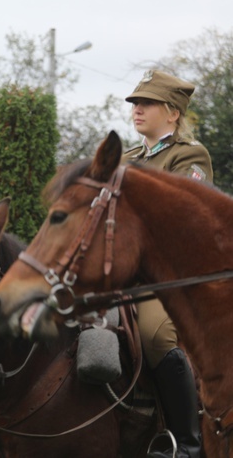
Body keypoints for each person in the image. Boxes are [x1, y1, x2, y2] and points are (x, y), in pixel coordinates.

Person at [123, 69, 209, 458]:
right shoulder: (124, 158)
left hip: (165, 276)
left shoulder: (189, 156)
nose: (136, 110)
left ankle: (186, 442)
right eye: (135, 104)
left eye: (146, 104)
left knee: (155, 336)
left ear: (173, 113)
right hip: (115, 270)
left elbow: (185, 218)